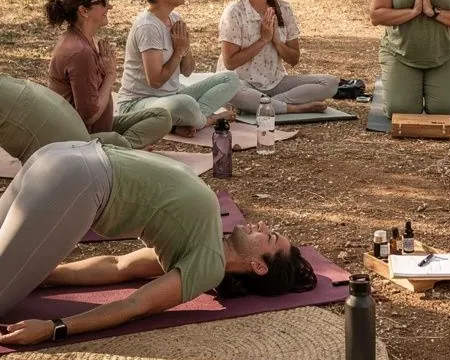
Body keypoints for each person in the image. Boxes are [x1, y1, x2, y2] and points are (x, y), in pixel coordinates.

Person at [0, 140, 317, 345]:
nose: (262, 225)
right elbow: (126, 283)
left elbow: (123, 277)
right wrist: (28, 274)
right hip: (72, 175)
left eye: (270, 236)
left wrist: (50, 318)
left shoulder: (204, 258)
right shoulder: (206, 244)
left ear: (258, 266)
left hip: (60, 157)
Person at [46, 0, 172, 150]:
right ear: (84, 11)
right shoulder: (79, 52)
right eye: (103, 1)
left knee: (162, 116)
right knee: (117, 140)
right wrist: (110, 75)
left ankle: (122, 148)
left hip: (100, 128)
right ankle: (124, 150)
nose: (110, 6)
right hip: (79, 140)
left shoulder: (86, 40)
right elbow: (88, 116)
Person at [117, 0, 240, 137]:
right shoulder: (148, 27)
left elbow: (188, 71)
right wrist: (178, 51)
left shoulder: (174, 18)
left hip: (172, 95)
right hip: (138, 104)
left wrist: (184, 48)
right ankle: (207, 120)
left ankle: (190, 120)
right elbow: (155, 81)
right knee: (185, 104)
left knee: (232, 79)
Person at [218, 0, 339, 115]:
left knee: (330, 83)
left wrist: (277, 42)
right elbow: (230, 63)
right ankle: (292, 107)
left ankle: (263, 106)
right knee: (231, 90)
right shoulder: (234, 12)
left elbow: (294, 59)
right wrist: (262, 40)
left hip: (275, 82)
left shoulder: (284, 8)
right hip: (241, 82)